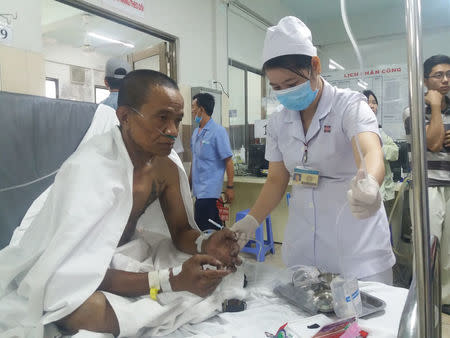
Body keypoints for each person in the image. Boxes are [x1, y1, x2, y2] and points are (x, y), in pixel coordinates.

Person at [0, 70, 242, 337]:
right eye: (162, 118)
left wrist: (206, 243)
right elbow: (78, 270)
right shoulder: (90, 168)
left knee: (215, 270)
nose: (173, 131)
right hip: (76, 267)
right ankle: (161, 298)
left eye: (178, 120)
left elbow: (181, 231)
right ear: (125, 117)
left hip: (125, 256)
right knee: (79, 309)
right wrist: (170, 280)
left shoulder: (166, 168)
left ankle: (153, 301)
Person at [231, 16, 395, 284]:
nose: (285, 92)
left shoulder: (349, 106)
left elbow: (369, 152)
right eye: (276, 88)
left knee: (365, 325)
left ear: (315, 66)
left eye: (291, 83)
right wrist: (251, 221)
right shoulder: (278, 122)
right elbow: (276, 179)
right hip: (304, 253)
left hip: (357, 253)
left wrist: (370, 184)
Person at [403, 54, 450, 314]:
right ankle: (423, 297)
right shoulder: (413, 109)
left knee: (449, 249)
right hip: (427, 187)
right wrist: (434, 108)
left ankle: (443, 299)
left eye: (449, 74)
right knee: (428, 246)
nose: (445, 80)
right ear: (424, 80)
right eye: (438, 75)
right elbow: (432, 143)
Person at [190, 93, 235, 231]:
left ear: (201, 110)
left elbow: (228, 161)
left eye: (193, 107)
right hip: (198, 192)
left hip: (211, 193)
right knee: (201, 232)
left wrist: (230, 187)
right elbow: (195, 159)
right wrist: (189, 182)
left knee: (210, 233)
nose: (191, 111)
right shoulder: (196, 132)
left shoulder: (218, 132)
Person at [363, 90, 399, 218]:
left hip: (382, 188)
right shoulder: (355, 129)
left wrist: (376, 150)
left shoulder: (380, 131)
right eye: (367, 102)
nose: (371, 105)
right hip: (364, 189)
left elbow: (395, 152)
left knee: (384, 227)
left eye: (374, 102)